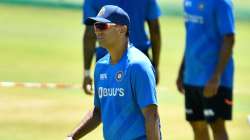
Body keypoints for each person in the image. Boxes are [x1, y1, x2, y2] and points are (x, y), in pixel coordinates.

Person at [67, 5, 161, 140]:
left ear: (122, 29)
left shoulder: (138, 66)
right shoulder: (100, 67)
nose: (97, 31)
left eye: (103, 26)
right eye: (95, 26)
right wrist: (72, 137)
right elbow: (98, 112)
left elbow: (151, 116)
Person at [176, 0, 235, 140]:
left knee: (217, 126)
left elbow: (229, 38)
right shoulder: (188, 2)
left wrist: (216, 76)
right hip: (191, 76)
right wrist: (182, 71)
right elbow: (190, 36)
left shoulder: (222, 3)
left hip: (214, 79)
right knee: (197, 125)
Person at [82, 0, 162, 95]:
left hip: (107, 66)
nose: (97, 31)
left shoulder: (101, 66)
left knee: (108, 107)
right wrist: (155, 67)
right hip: (140, 64)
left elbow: (89, 35)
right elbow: (155, 30)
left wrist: (87, 73)